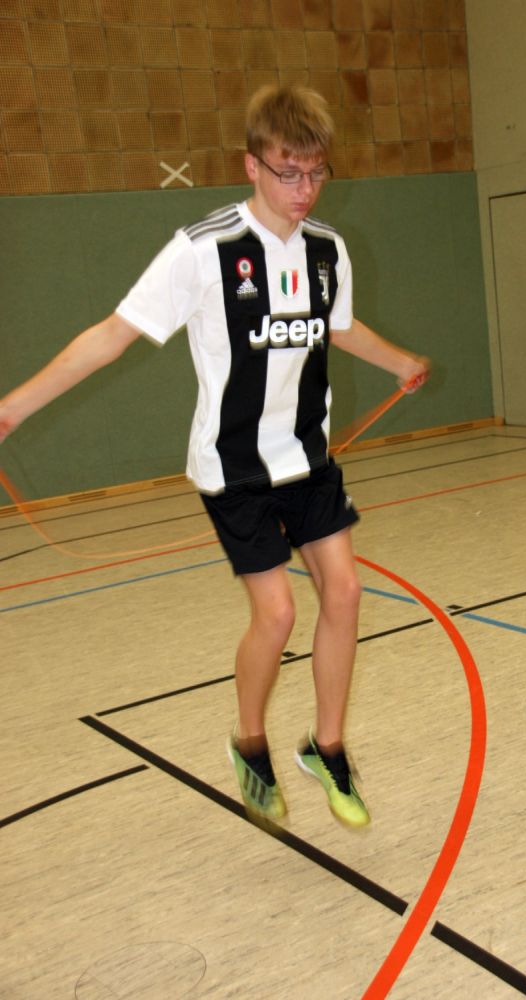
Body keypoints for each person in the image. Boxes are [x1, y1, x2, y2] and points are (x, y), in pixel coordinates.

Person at [0, 85, 429, 828]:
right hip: (235, 472)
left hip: (308, 459)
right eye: (288, 172)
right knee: (277, 613)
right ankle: (250, 742)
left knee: (346, 593)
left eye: (316, 173)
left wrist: (401, 363)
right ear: (252, 165)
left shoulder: (327, 250)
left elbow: (339, 327)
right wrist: (12, 407)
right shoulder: (203, 249)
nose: (304, 189)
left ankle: (326, 749)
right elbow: (111, 335)